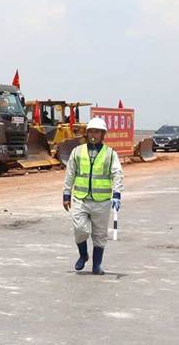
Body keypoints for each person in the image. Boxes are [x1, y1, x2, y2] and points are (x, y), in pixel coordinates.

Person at [62, 117, 124, 275]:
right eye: (91, 131)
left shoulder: (110, 154)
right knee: (80, 229)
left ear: (103, 134)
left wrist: (117, 194)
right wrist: (66, 193)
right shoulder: (77, 151)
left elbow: (117, 174)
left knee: (100, 234)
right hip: (81, 199)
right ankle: (83, 255)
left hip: (101, 201)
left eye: (97, 131)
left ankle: (97, 265)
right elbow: (70, 173)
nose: (93, 134)